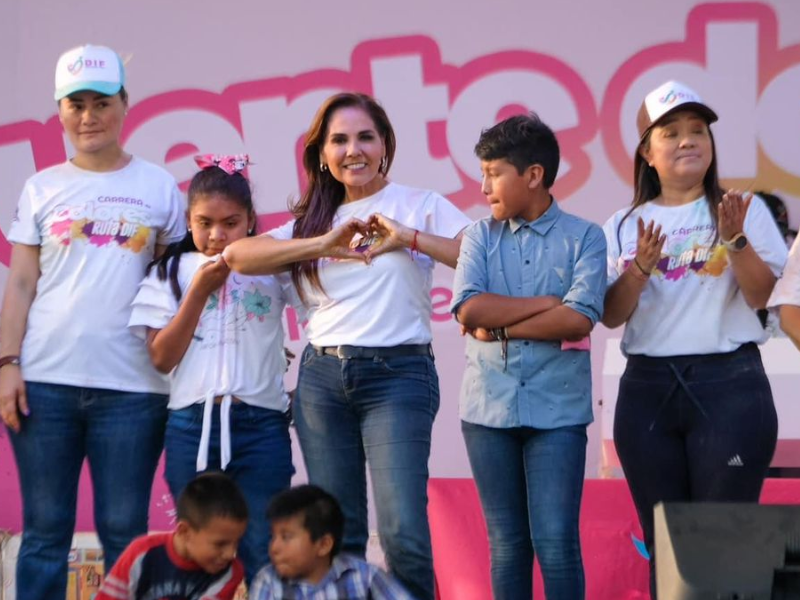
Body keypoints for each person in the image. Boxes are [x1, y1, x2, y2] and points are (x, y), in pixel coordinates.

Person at [223, 92, 472, 600]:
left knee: (403, 531)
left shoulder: (418, 204)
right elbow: (237, 254)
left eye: (365, 137)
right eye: (339, 140)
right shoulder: (311, 222)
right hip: (322, 381)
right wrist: (322, 243)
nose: (352, 150)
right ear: (321, 152)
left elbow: (478, 252)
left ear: (385, 146)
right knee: (338, 535)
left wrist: (410, 238)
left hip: (399, 376)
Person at [0, 44, 186, 600]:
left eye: (101, 102)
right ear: (59, 110)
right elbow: (22, 284)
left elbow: (177, 286)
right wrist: (7, 363)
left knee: (124, 534)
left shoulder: (160, 188)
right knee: (45, 535)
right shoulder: (42, 188)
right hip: (45, 385)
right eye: (75, 103)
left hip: (134, 389)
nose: (88, 116)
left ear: (125, 105)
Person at [602, 80, 787, 597]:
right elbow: (612, 316)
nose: (688, 141)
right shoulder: (620, 224)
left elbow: (762, 299)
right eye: (672, 132)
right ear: (646, 152)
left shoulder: (743, 210)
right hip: (647, 395)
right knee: (670, 550)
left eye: (698, 131)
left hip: (729, 389)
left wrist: (737, 241)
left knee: (726, 546)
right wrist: (638, 268)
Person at [450, 113, 606, 600]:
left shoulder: (585, 237)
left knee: (556, 543)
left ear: (533, 175)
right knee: (507, 544)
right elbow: (468, 307)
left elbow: (579, 320)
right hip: (486, 410)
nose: (483, 187)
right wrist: (546, 305)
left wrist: (493, 325)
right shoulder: (478, 236)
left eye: (493, 173)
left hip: (558, 412)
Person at [128, 155, 295, 584]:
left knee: (264, 546)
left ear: (252, 220)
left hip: (261, 427)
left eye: (231, 223)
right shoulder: (169, 272)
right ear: (188, 220)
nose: (217, 235)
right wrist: (198, 290)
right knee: (197, 553)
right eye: (204, 222)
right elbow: (162, 357)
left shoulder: (272, 268)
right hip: (190, 427)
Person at [95, 472, 247, 600]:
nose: (229, 554)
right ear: (184, 532)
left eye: (237, 543)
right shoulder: (140, 553)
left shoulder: (230, 572)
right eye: (220, 544)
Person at [249, 484, 414, 600]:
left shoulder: (365, 578)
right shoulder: (268, 582)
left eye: (286, 537)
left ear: (323, 545)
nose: (274, 547)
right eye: (273, 536)